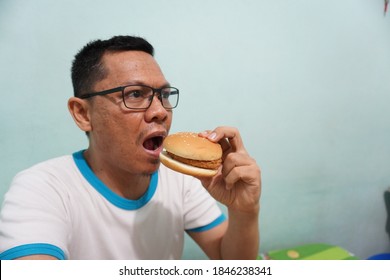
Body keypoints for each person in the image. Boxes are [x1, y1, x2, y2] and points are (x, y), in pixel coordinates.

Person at [0, 35, 261, 260]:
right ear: (82, 113)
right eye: (134, 94)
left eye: (165, 95)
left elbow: (231, 263)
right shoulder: (42, 189)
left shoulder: (182, 181)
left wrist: (244, 210)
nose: (160, 111)